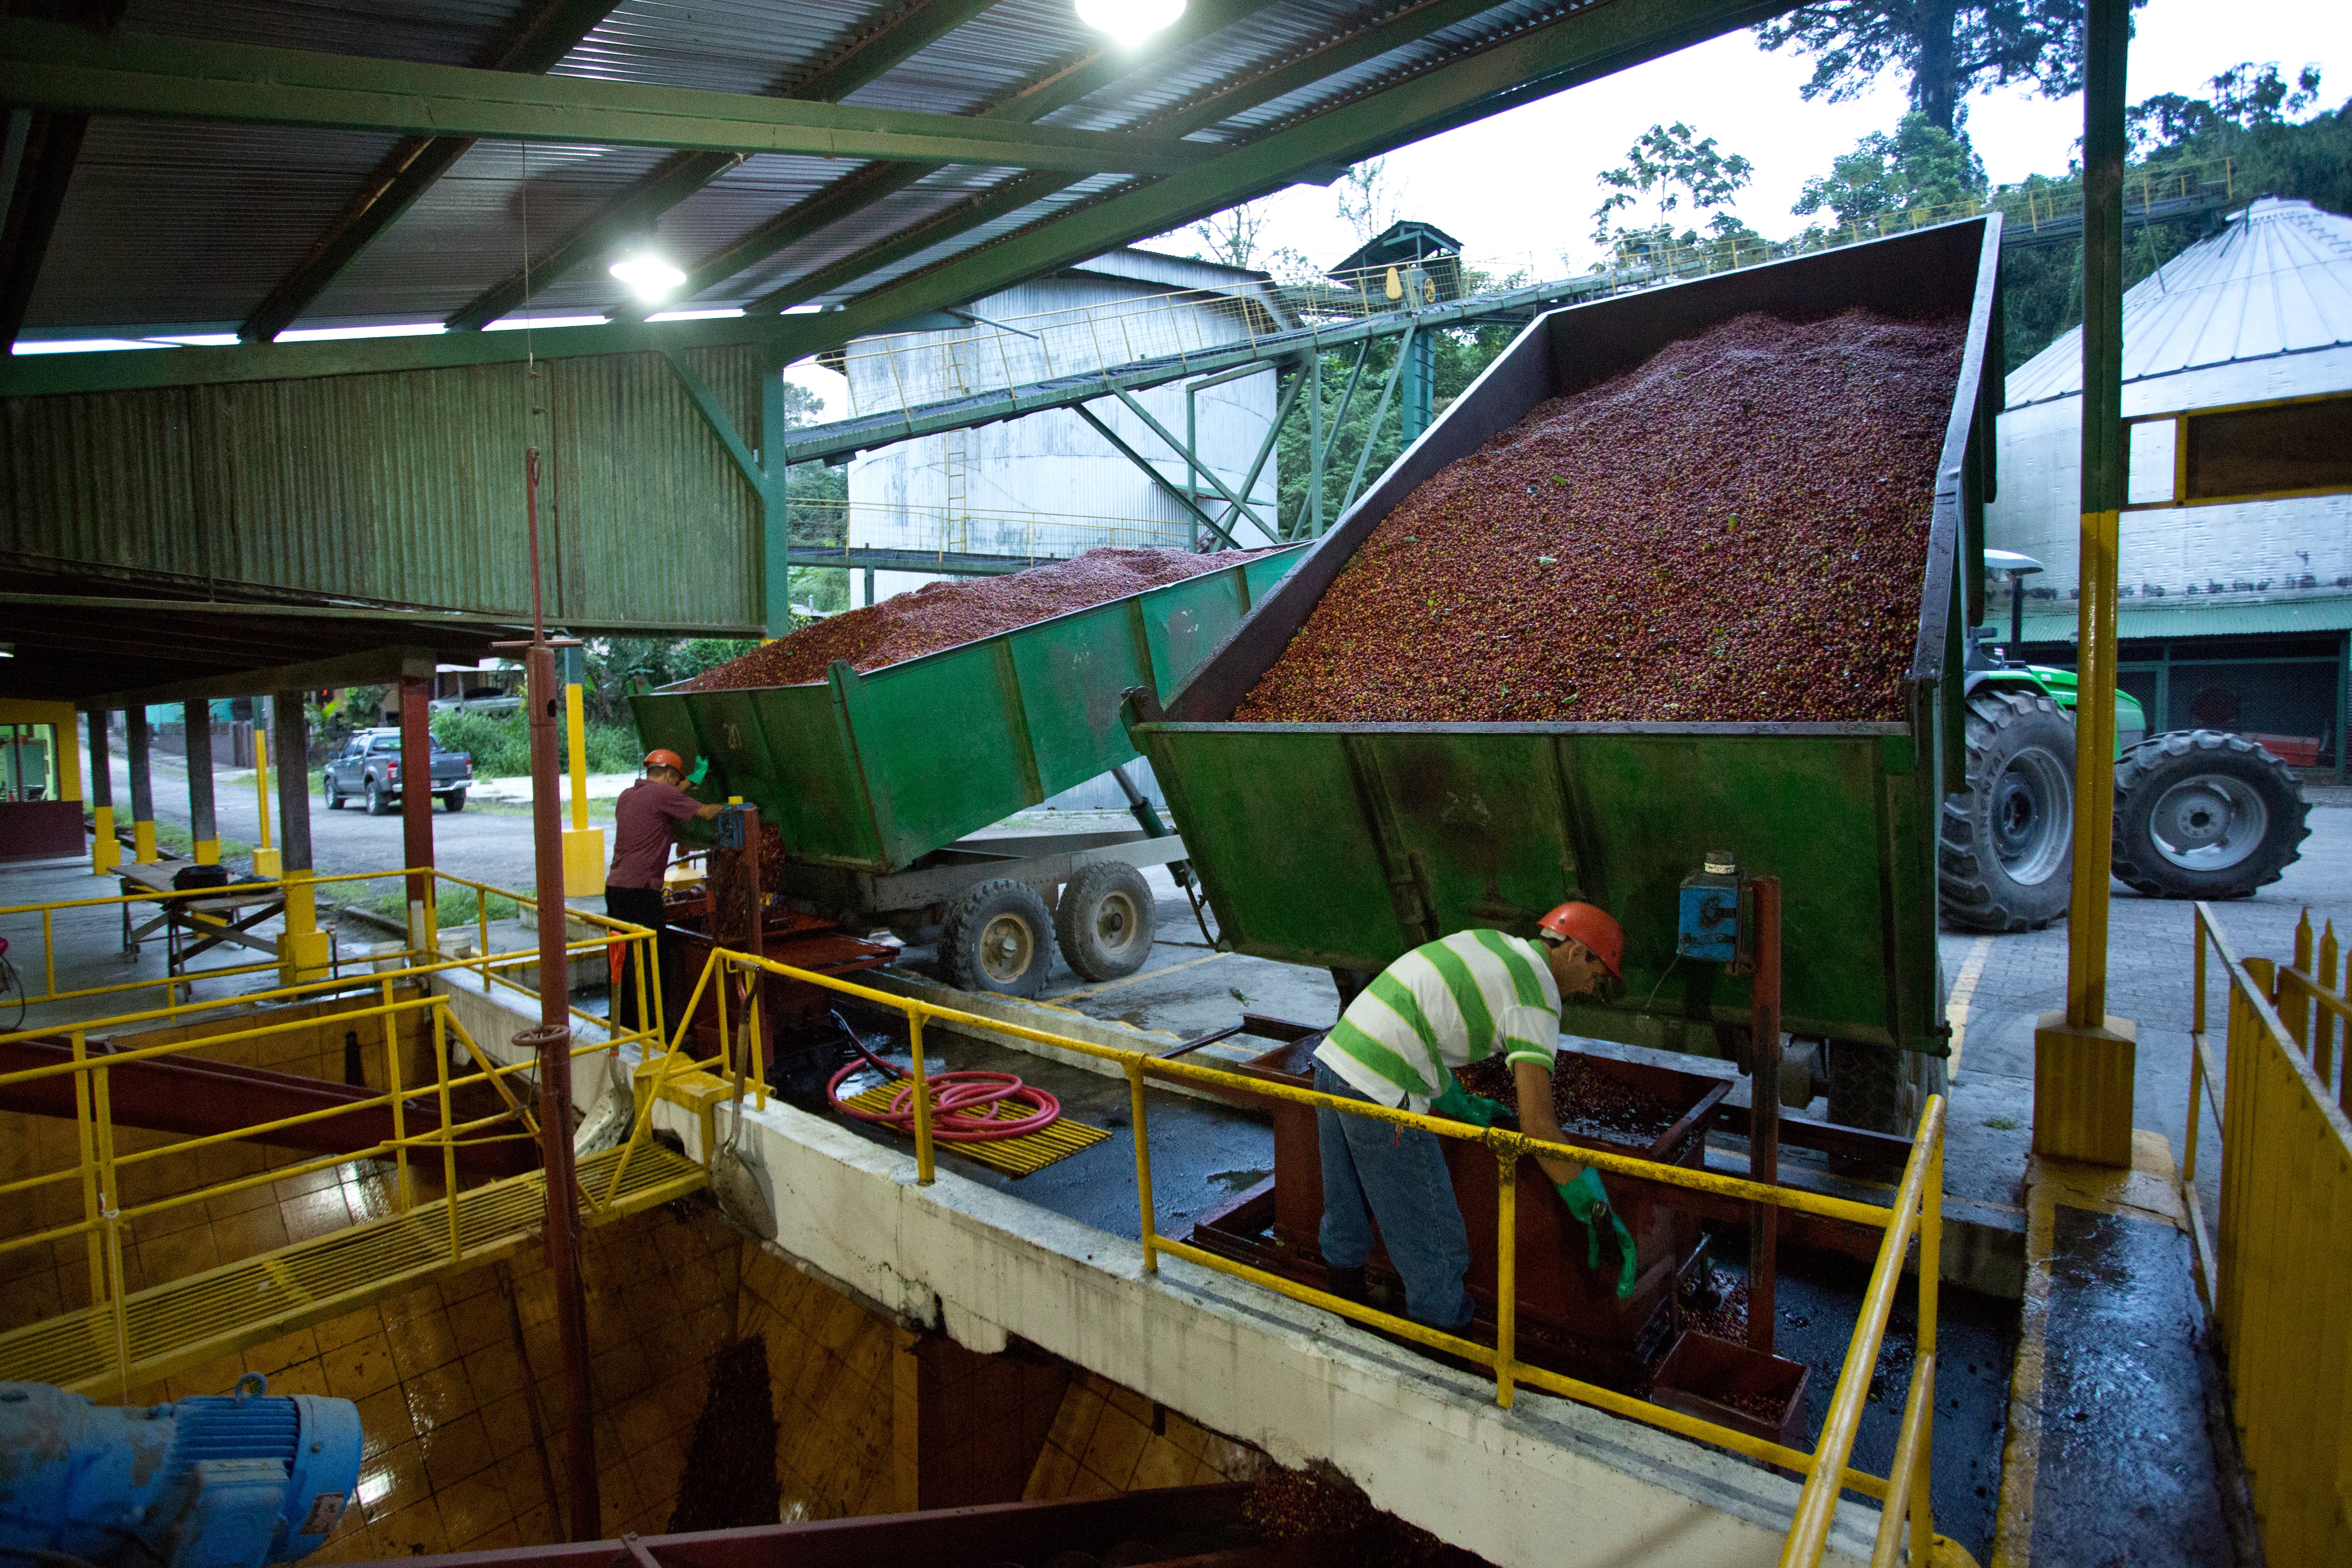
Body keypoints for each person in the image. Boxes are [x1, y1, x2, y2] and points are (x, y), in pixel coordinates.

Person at [1313, 901, 1640, 1330]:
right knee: (1438, 1249)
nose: (1589, 989)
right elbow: (1538, 1124)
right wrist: (1593, 1203)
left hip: (1335, 1060)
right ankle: (1444, 1365)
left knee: (1346, 1212)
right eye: (1595, 976)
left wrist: (1462, 1103)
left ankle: (1343, 1323)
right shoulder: (1539, 996)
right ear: (1577, 952)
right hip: (1382, 1086)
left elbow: (1426, 1017)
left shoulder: (1494, 943)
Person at [605, 748, 721, 1035]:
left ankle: (624, 1025)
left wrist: (690, 782)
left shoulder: (628, 795)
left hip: (616, 889)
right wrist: (735, 807)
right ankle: (656, 1031)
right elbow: (705, 813)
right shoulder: (663, 796)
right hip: (642, 893)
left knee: (623, 960)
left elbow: (672, 794)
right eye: (677, 778)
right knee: (653, 961)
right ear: (669, 775)